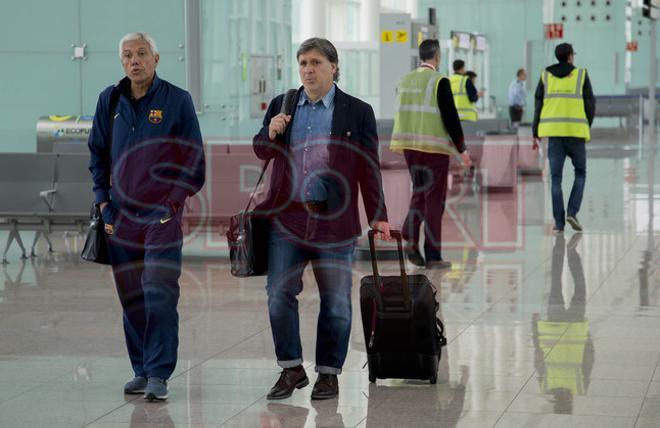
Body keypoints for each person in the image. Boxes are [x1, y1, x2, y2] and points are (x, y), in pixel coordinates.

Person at [253, 37, 391, 401]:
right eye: (302, 63)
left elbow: (369, 168)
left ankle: (328, 374)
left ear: (333, 66)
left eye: (315, 62)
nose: (308, 70)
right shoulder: (284, 105)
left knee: (336, 301)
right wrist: (270, 131)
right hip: (288, 218)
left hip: (335, 220)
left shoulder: (356, 111)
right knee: (278, 293)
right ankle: (292, 367)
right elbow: (260, 149)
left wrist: (378, 216)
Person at [88, 32, 206, 401]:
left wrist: (172, 204)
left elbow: (194, 160)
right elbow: (97, 155)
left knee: (158, 292)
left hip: (161, 218)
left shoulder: (177, 100)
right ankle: (140, 368)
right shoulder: (110, 100)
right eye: (127, 55)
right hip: (119, 219)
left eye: (141, 53)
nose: (134, 60)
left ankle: (159, 372)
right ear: (121, 61)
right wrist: (104, 203)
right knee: (132, 297)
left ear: (156, 58)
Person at [390, 39, 472, 269]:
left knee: (419, 193)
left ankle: (410, 235)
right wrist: (462, 150)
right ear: (437, 57)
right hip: (434, 149)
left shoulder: (404, 81)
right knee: (434, 200)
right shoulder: (439, 81)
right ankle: (433, 255)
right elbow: (451, 118)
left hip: (409, 147)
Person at [532, 43, 595, 234]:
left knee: (555, 179)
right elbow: (590, 104)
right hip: (575, 133)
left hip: (554, 135)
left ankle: (559, 224)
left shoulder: (545, 76)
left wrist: (535, 130)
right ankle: (572, 212)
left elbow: (538, 104)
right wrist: (586, 124)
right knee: (581, 173)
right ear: (569, 57)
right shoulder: (581, 75)